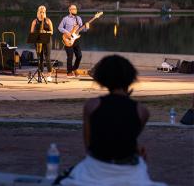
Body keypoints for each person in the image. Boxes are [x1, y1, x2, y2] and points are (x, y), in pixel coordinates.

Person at [58, 55, 165, 186]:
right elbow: (126, 137)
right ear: (130, 78)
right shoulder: (142, 111)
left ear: (103, 79)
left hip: (96, 168)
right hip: (129, 172)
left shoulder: (91, 106)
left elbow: (89, 146)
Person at [58, 4, 89, 78]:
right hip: (67, 39)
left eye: (75, 9)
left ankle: (74, 68)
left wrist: (86, 27)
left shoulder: (79, 19)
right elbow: (60, 28)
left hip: (76, 39)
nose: (75, 10)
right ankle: (69, 72)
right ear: (69, 10)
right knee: (70, 56)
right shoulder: (65, 19)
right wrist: (67, 33)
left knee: (79, 56)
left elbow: (81, 29)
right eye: (73, 9)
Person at [30, 5, 54, 82]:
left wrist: (45, 32)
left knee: (47, 57)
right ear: (38, 12)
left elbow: (52, 32)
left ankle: (49, 75)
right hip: (38, 41)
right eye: (40, 12)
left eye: (43, 12)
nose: (42, 13)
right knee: (39, 58)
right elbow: (31, 32)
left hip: (47, 40)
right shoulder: (34, 21)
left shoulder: (48, 21)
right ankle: (40, 75)